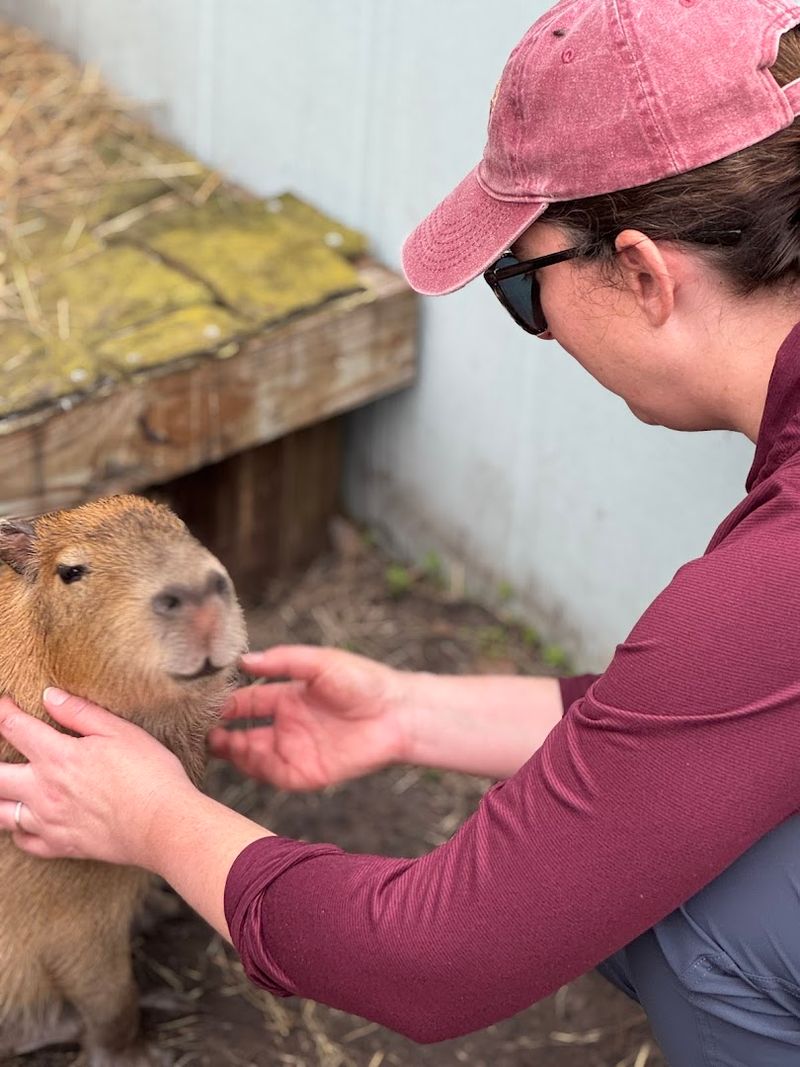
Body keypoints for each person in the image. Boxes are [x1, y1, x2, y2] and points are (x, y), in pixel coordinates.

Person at [4, 0, 800, 1061]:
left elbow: (430, 958)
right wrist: (416, 711)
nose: (538, 332)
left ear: (646, 274)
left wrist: (157, 821)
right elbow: (727, 708)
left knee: (693, 910)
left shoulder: (773, 567)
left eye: (523, 286)